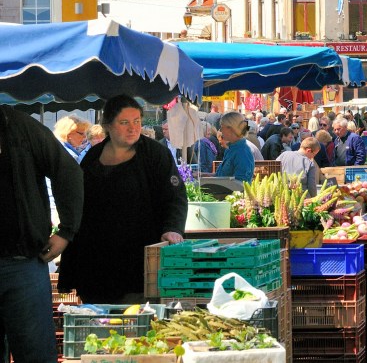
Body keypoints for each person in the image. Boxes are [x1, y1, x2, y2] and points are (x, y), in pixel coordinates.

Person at [59, 94, 186, 304]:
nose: (133, 128)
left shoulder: (155, 154)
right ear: (108, 125)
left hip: (139, 261)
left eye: (137, 121)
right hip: (97, 261)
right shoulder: (92, 157)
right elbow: (79, 202)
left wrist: (173, 227)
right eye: (124, 122)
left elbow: (175, 196)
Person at [0, 104, 83, 363]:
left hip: (22, 262)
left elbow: (67, 171)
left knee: (36, 355)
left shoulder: (19, 125)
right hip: (22, 267)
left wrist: (66, 231)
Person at [214, 112, 255, 182]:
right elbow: (220, 176)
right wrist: (203, 175)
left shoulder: (242, 152)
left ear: (231, 128)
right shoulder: (230, 149)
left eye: (222, 126)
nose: (220, 130)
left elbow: (240, 183)